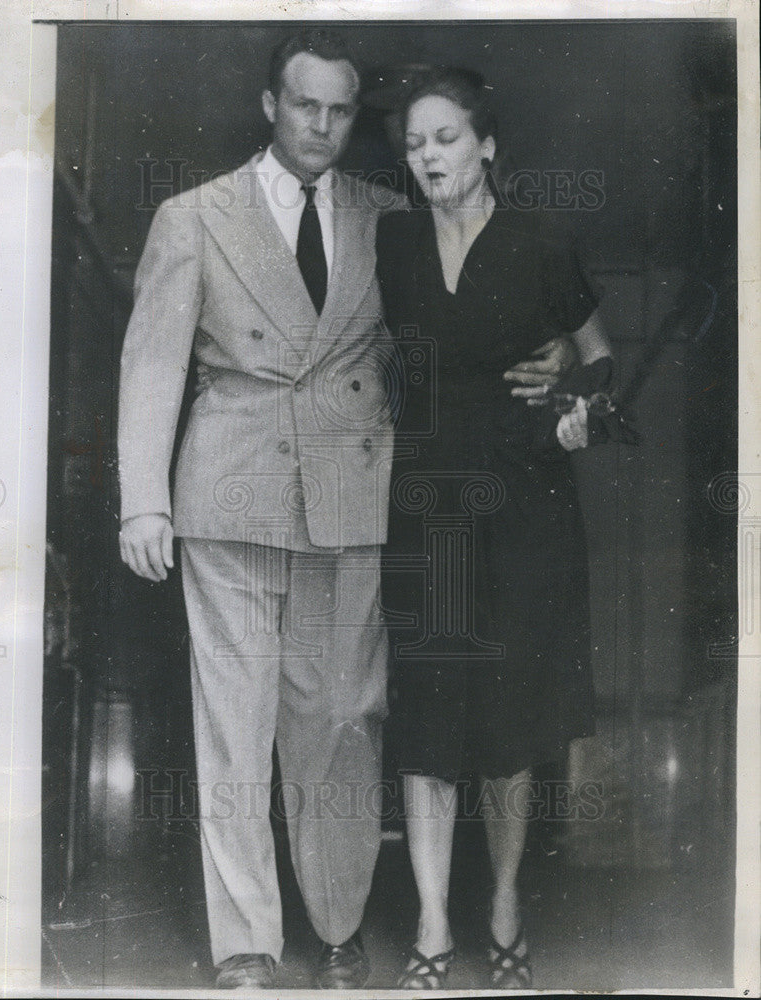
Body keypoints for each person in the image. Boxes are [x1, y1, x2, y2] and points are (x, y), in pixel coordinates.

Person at [118, 31, 576, 990]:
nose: (323, 127)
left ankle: (333, 925)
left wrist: (561, 362)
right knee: (234, 724)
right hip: (227, 496)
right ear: (269, 105)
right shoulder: (191, 216)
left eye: (340, 111)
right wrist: (141, 502)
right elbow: (153, 361)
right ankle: (245, 943)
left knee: (342, 719)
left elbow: (466, 312)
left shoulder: (390, 218)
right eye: (305, 106)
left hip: (354, 498)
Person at [374, 67, 612, 990]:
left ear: (487, 145)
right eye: (413, 144)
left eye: (444, 137)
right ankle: (434, 924)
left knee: (511, 725)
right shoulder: (390, 241)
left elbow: (597, 360)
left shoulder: (545, 239)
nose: (427, 156)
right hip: (426, 506)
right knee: (429, 718)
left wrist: (569, 385)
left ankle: (504, 900)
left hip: (526, 511)